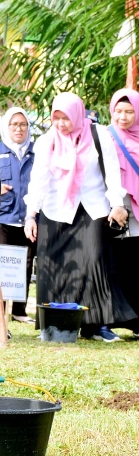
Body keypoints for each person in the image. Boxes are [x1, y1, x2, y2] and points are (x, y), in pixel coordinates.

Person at [23, 92, 137, 342]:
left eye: (66, 118)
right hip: (56, 211)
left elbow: (112, 173)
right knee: (56, 268)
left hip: (92, 209)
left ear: (77, 114)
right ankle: (55, 325)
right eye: (57, 118)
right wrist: (31, 215)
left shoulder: (99, 135)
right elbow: (38, 181)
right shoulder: (46, 142)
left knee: (94, 264)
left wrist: (117, 204)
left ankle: (96, 326)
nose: (61, 124)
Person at [0, 107, 37, 323]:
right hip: (4, 216)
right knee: (3, 265)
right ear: (6, 127)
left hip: (28, 218)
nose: (19, 129)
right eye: (14, 124)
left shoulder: (36, 152)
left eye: (23, 124)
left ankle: (19, 311)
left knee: (27, 264)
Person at [107, 89, 139, 336]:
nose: (123, 117)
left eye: (129, 112)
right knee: (119, 262)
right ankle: (122, 317)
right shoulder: (105, 137)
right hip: (116, 207)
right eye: (118, 111)